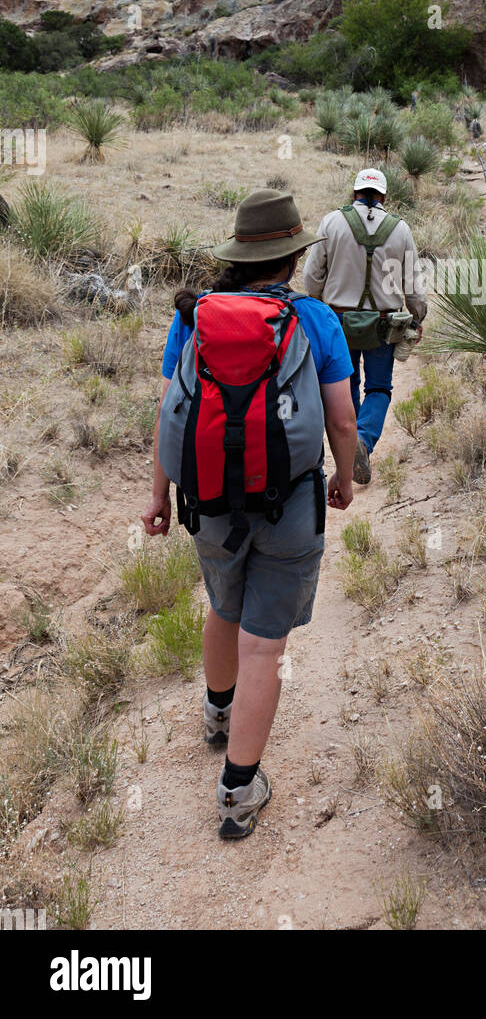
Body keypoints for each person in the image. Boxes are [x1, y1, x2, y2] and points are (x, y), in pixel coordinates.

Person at [141, 189, 358, 840]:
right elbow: (343, 418)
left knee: (223, 607)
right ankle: (238, 792)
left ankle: (216, 715)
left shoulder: (195, 317)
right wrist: (344, 479)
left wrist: (157, 496)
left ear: (238, 253)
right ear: (292, 258)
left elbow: (169, 413)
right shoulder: (316, 320)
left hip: (206, 500)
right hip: (288, 502)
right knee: (264, 643)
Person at [303, 167, 427, 484]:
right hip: (383, 325)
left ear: (355, 193)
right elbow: (412, 285)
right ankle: (364, 440)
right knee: (378, 388)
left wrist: (319, 304)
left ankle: (353, 446)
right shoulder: (400, 230)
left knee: (345, 386)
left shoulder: (332, 222)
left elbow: (311, 276)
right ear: (384, 196)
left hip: (338, 321)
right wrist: (418, 315)